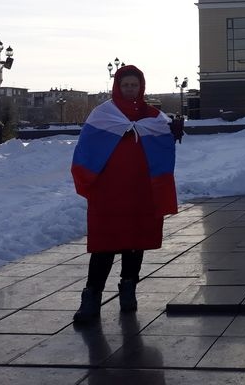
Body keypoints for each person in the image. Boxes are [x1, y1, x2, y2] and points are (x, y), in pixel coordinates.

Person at [70, 65, 178, 323]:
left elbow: (162, 143)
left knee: (135, 241)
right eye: (125, 85)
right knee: (104, 245)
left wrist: (171, 133)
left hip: (141, 189)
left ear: (141, 87)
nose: (130, 89)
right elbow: (87, 148)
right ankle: (91, 297)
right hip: (108, 191)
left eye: (134, 85)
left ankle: (129, 290)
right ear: (117, 87)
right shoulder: (103, 114)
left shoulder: (153, 116)